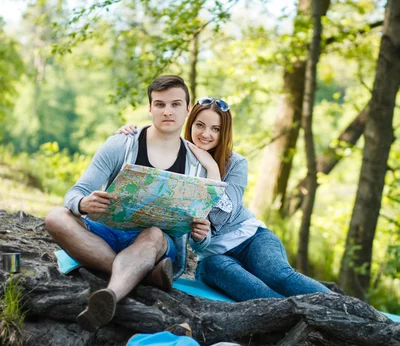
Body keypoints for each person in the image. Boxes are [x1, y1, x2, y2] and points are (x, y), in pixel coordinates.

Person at [117, 97, 330, 302]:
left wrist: (211, 167)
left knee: (277, 275)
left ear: (224, 132)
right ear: (190, 123)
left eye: (215, 129)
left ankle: (347, 309)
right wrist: (130, 135)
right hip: (212, 257)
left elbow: (224, 213)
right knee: (259, 292)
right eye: (200, 125)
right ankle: (298, 316)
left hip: (251, 238)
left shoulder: (236, 163)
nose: (206, 134)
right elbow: (148, 159)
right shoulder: (175, 157)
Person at [45, 76, 210, 332]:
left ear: (187, 110)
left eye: (176, 104)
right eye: (160, 104)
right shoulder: (121, 144)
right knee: (56, 217)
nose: (167, 111)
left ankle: (109, 295)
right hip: (108, 233)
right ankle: (144, 275)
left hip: (155, 245)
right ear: (150, 109)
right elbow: (75, 193)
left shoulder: (196, 164)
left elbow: (200, 234)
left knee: (154, 233)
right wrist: (84, 203)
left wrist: (202, 235)